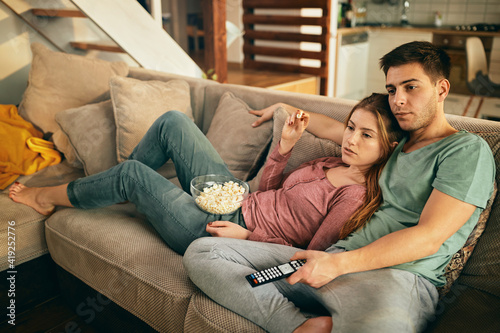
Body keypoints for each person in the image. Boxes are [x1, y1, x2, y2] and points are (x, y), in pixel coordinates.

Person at [183, 41, 496, 332]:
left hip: (395, 278)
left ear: (441, 89)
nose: (398, 100)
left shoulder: (465, 150)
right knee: (204, 252)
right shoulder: (393, 145)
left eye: (410, 87)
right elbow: (332, 128)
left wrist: (337, 263)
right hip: (327, 261)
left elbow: (429, 237)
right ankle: (295, 324)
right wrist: (281, 106)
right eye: (391, 89)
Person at [8, 93, 403, 255]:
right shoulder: (335, 162)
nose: (350, 140)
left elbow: (309, 257)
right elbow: (268, 191)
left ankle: (47, 197)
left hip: (219, 228)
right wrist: (281, 150)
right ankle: (119, 189)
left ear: (389, 147)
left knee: (131, 174)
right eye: (351, 128)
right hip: (236, 197)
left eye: (366, 135)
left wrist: (248, 236)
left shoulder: (353, 198)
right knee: (173, 122)